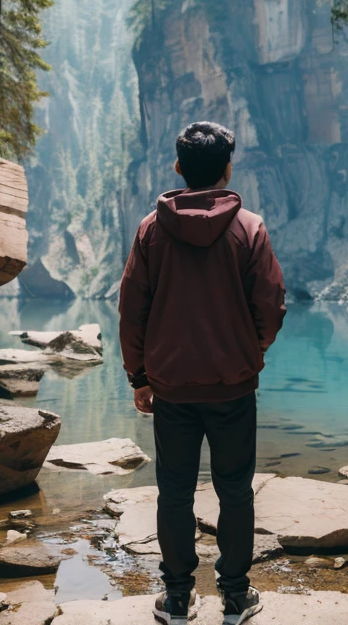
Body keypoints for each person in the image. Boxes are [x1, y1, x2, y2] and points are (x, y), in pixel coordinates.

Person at [119, 121, 286, 625]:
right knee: (235, 488)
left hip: (171, 387)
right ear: (227, 169)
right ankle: (235, 596)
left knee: (174, 489)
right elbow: (272, 304)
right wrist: (252, 347)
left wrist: (139, 377)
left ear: (178, 169)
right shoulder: (250, 228)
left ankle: (176, 598)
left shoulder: (151, 230)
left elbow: (132, 311)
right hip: (233, 385)